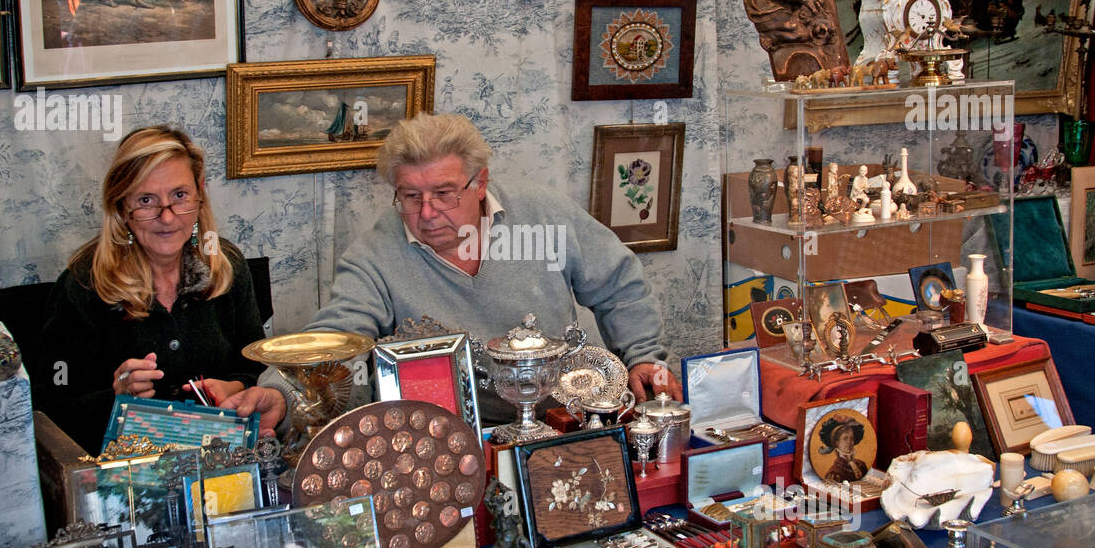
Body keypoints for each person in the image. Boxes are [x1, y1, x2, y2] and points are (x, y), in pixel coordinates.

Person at [226, 113, 680, 433]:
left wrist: (644, 356)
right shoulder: (375, 255)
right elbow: (333, 339)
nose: (427, 213)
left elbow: (619, 284)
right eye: (410, 196)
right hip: (448, 439)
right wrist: (284, 397)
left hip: (564, 418)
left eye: (444, 193)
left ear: (479, 183)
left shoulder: (542, 213)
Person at [38, 126, 282, 454]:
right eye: (146, 200)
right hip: (125, 475)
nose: (166, 217)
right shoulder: (83, 285)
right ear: (122, 207)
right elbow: (48, 410)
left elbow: (256, 369)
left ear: (199, 195)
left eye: (179, 196)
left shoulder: (226, 266)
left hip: (221, 464)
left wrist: (233, 387)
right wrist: (117, 398)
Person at [816, 414, 869, 484]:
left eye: (852, 438)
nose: (849, 442)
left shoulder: (861, 465)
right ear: (836, 442)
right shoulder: (834, 473)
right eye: (845, 438)